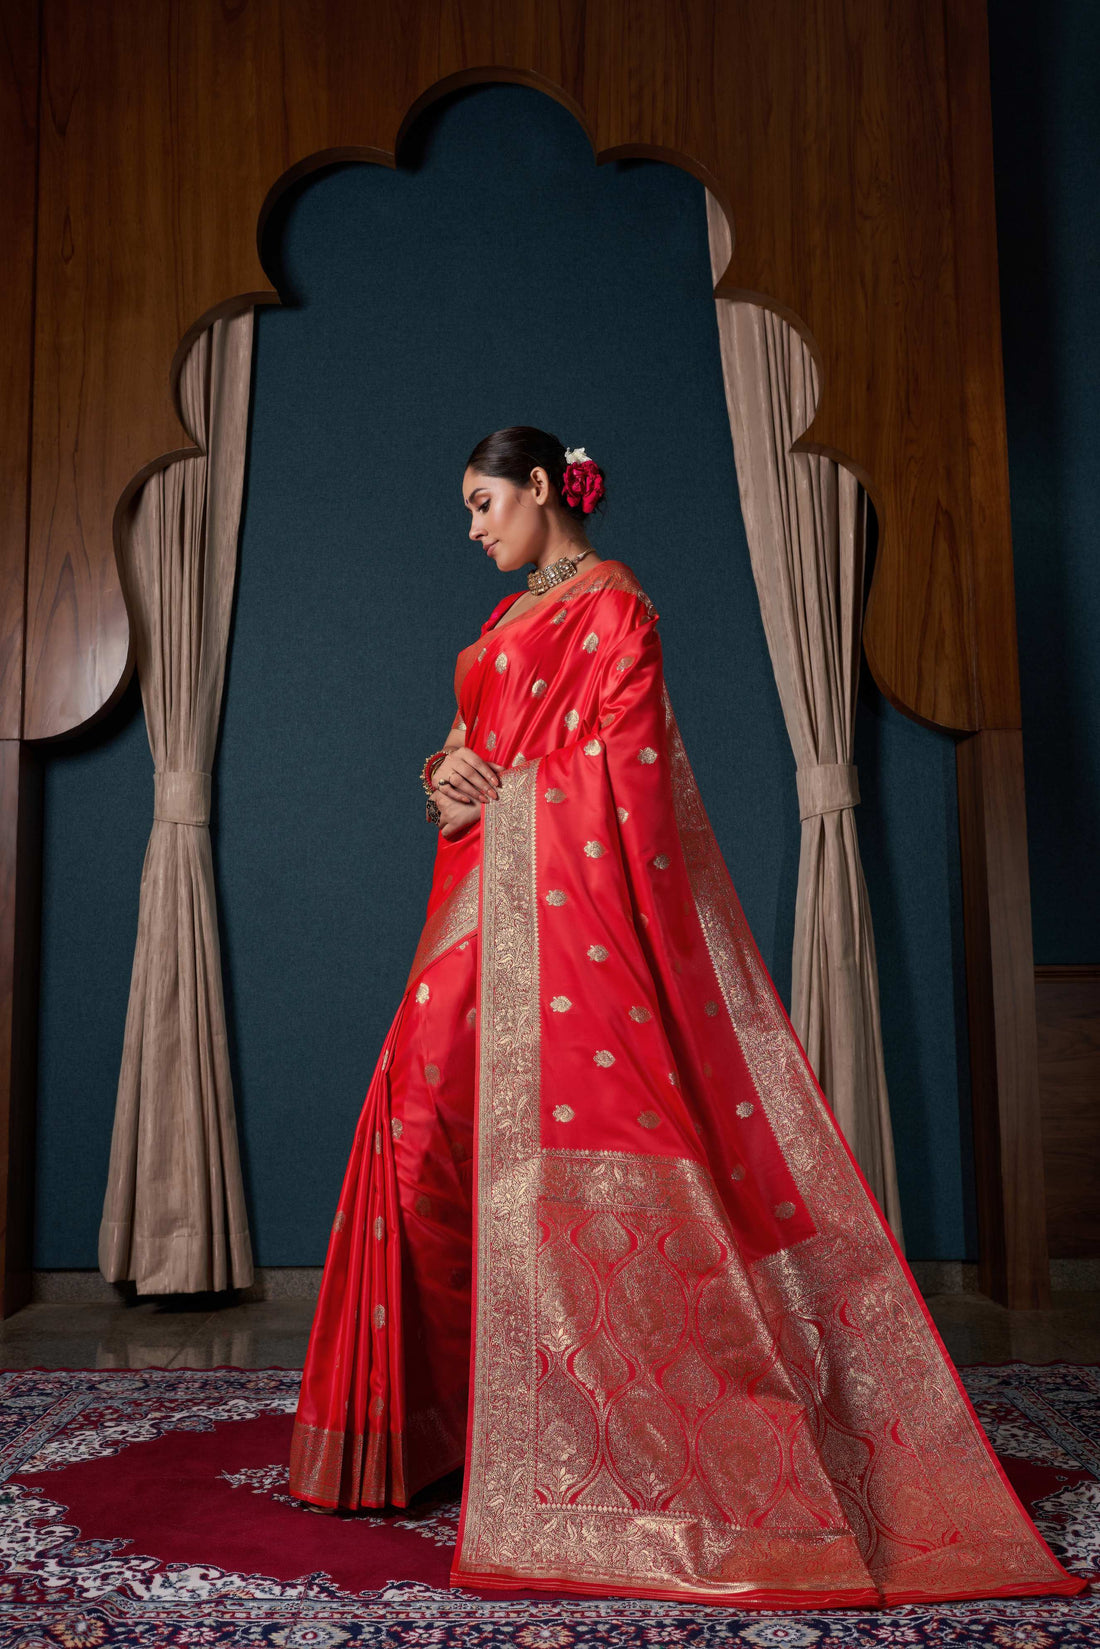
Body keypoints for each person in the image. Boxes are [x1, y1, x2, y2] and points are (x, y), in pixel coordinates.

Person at [288, 427, 1082, 1609]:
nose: (472, 528)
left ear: (546, 488)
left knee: (497, 1153)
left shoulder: (617, 614)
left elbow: (630, 783)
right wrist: (442, 778)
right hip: (473, 908)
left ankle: (609, 1436)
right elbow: (472, 748)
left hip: (559, 922)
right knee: (415, 1137)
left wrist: (512, 797)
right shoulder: (509, 622)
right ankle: (418, 1434)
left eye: (482, 502)